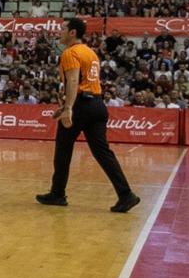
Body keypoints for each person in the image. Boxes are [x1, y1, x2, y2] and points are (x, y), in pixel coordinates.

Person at [36, 17, 139, 213]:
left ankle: (58, 194)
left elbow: (74, 81)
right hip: (98, 104)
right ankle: (126, 195)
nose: (60, 32)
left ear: (72, 32)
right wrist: (67, 104)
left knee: (63, 149)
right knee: (103, 153)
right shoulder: (91, 53)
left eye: (63, 29)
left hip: (81, 105)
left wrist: (68, 108)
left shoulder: (70, 52)